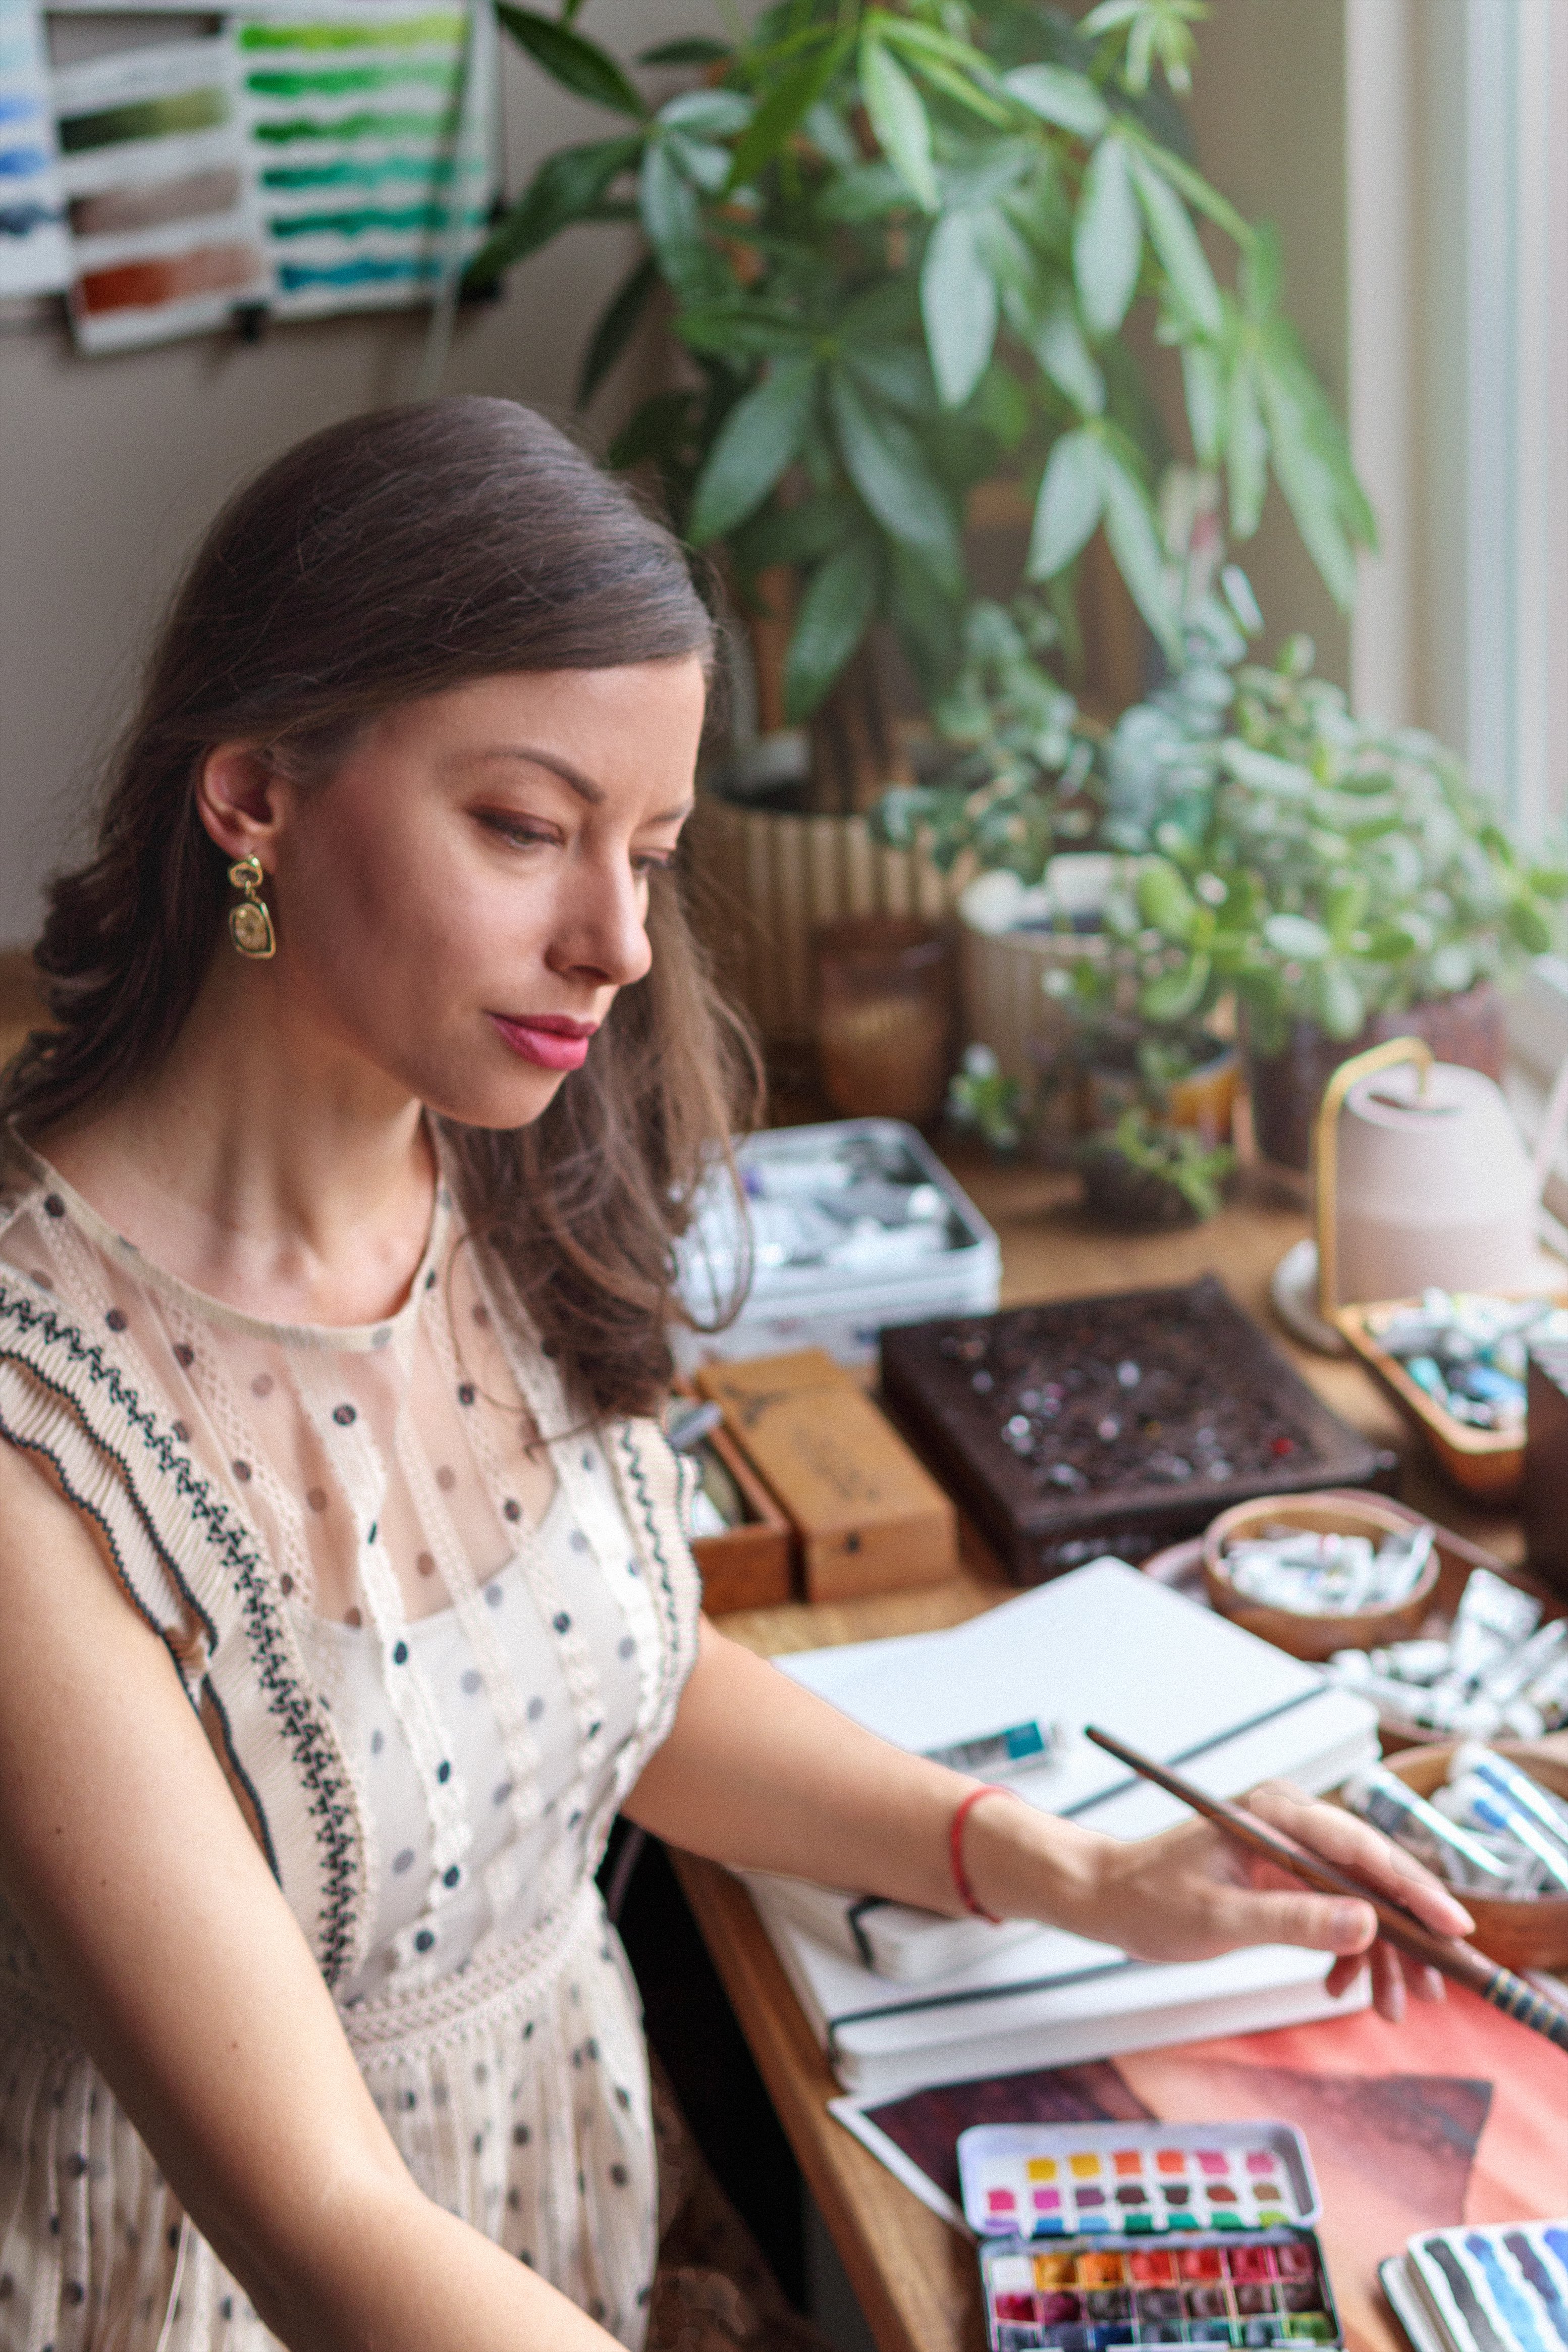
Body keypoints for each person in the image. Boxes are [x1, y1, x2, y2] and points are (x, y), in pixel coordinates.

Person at [0, 398, 1469, 2352]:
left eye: (655, 848)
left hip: (549, 2192)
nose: (615, 940)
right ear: (254, 793)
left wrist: (1068, 1867)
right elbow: (317, 2218)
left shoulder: (505, 1169)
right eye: (525, 828)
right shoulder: (40, 1429)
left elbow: (596, 1667)